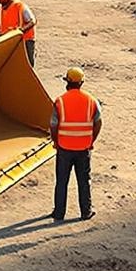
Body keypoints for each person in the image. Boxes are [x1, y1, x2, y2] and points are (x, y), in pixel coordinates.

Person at [50, 65, 98, 222]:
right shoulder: (91, 100)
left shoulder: (60, 101)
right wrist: (91, 140)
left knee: (62, 181)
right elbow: (98, 122)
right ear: (81, 83)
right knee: (84, 181)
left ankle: (59, 213)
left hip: (64, 148)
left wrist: (56, 142)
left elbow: (53, 124)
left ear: (67, 83)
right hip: (83, 148)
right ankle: (86, 212)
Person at [0, 0, 37, 66]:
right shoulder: (1, 10)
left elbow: (32, 21)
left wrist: (21, 30)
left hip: (25, 41)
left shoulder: (19, 6)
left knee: (27, 65)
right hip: (9, 42)